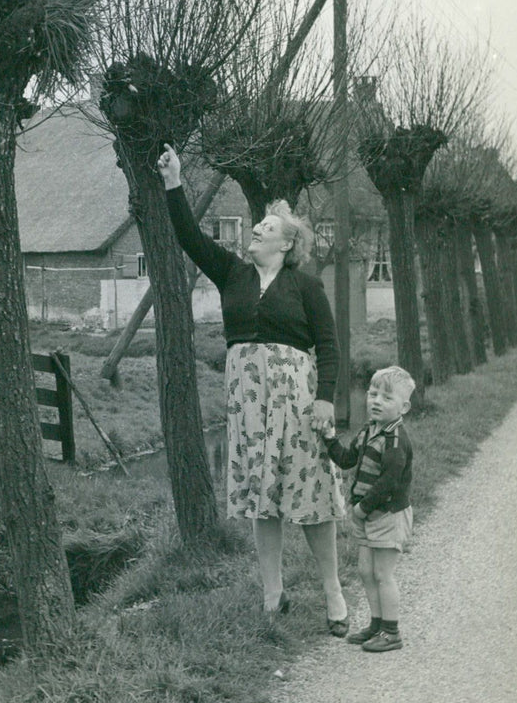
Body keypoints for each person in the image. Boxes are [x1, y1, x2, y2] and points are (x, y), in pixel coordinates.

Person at [157, 143, 349, 636]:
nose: (256, 230)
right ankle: (272, 595)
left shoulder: (305, 286)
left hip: (298, 400)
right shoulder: (233, 275)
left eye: (265, 227)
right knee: (263, 497)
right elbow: (187, 236)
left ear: (286, 243)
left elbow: (328, 345)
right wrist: (174, 182)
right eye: (257, 226)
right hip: (247, 399)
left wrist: (326, 397)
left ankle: (333, 593)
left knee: (310, 494)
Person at [319, 365, 415, 652]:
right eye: (373, 394)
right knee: (364, 571)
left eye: (386, 398)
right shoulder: (368, 431)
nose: (376, 401)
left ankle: (392, 632)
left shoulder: (396, 441)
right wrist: (329, 438)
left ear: (404, 406)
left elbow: (389, 482)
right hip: (367, 513)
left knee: (383, 573)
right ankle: (376, 623)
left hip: (387, 514)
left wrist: (362, 509)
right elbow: (348, 460)